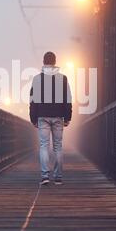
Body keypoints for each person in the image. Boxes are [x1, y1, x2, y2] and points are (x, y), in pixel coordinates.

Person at [29, 52, 72, 185]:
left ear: (44, 62)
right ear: (55, 62)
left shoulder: (37, 79)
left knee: (43, 145)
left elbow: (32, 100)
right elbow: (68, 99)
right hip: (58, 115)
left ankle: (45, 176)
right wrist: (68, 117)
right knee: (58, 146)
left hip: (42, 116)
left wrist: (33, 118)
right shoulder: (63, 78)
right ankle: (58, 177)